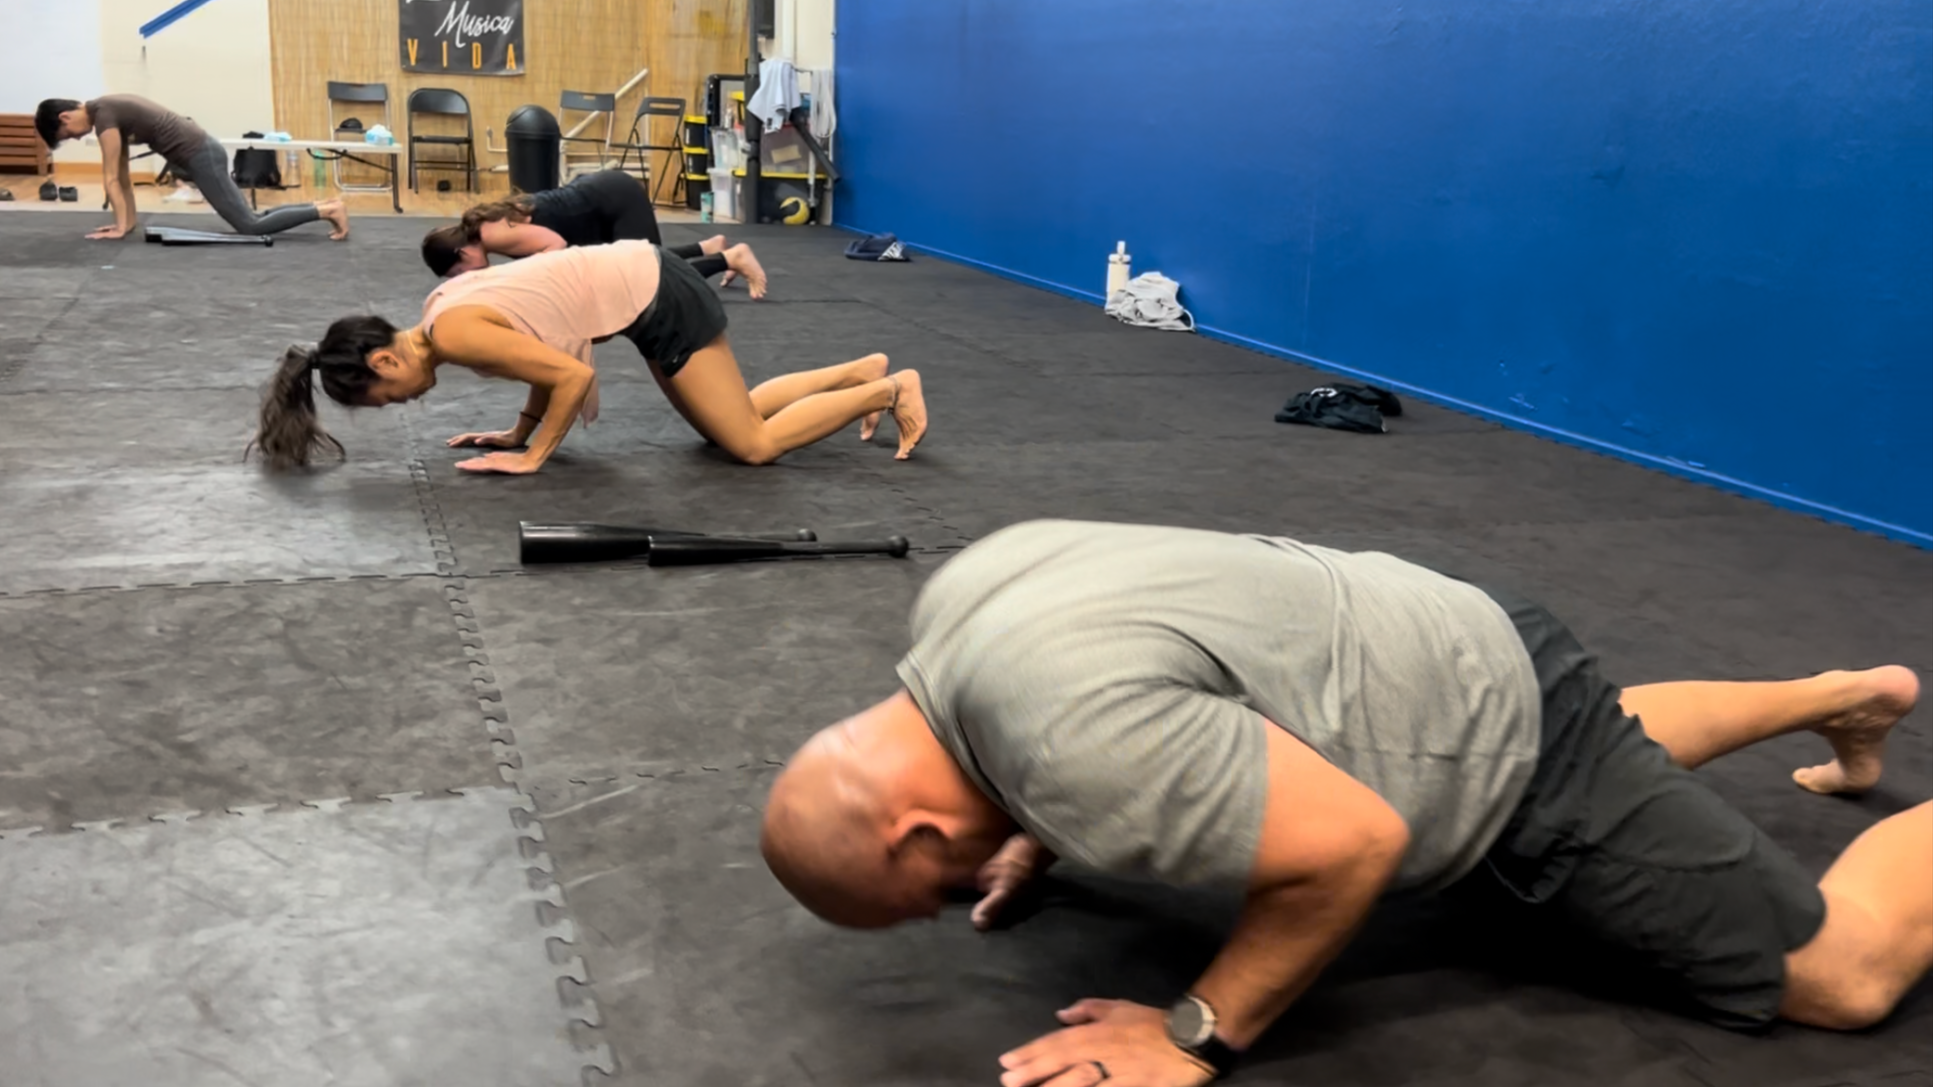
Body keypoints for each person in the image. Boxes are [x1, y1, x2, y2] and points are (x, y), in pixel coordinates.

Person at [761, 519, 1930, 1087]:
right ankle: (1843, 695)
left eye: (924, 892)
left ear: (917, 831)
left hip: (1490, 737)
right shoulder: (962, 608)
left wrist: (1192, 1033)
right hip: (1433, 636)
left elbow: (1352, 845)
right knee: (1583, 728)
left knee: (1843, 975)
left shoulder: (1064, 737)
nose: (944, 906)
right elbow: (1111, 683)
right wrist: (1034, 826)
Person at [248, 238, 924, 473]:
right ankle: (855, 371)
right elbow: (544, 351)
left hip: (657, 295)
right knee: (735, 419)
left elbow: (569, 373)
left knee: (749, 446)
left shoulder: (452, 334)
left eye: (382, 399)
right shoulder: (438, 309)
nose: (400, 403)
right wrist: (518, 428)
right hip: (645, 282)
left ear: (384, 365)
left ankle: (885, 391)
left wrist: (532, 455)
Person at [35, 95, 349, 241]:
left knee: (249, 228)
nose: (76, 136)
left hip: (202, 155)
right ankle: (327, 206)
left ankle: (326, 212)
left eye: (68, 134)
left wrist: (119, 228)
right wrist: (126, 225)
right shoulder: (106, 110)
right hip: (203, 151)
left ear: (65, 117)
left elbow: (111, 179)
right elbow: (123, 177)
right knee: (250, 218)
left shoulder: (104, 117)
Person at [420, 169, 762, 296]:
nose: (469, 276)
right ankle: (708, 245)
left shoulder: (493, 236)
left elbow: (555, 246)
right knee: (637, 265)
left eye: (459, 273)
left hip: (612, 199)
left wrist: (517, 278)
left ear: (463, 253)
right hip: (593, 207)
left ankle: (730, 257)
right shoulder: (483, 228)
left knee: (652, 277)